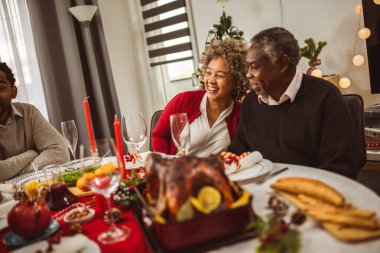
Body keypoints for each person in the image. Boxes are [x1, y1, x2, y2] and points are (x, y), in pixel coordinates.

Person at [228, 27, 359, 179]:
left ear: (283, 64)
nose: (248, 74)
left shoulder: (326, 98)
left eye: (255, 66)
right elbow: (238, 151)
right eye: (247, 66)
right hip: (263, 190)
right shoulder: (251, 102)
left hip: (309, 194)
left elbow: (340, 169)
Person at [152, 39, 249, 156]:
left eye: (219, 75)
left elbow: (243, 153)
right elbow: (159, 135)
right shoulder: (183, 100)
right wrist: (166, 164)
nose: (211, 80)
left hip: (214, 173)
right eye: (208, 73)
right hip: (178, 170)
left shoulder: (242, 114)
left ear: (236, 80)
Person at [0, 62, 69, 181]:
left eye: (0, 88)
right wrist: (31, 154)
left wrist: (15, 175)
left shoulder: (29, 112)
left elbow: (60, 152)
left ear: (13, 92)